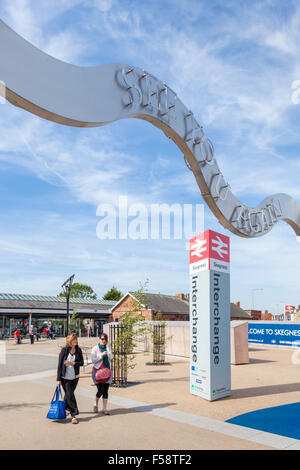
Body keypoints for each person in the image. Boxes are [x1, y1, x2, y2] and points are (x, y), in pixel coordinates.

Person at [56, 333, 84, 424]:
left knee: (69, 394)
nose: (75, 341)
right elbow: (59, 365)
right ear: (69, 341)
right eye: (73, 339)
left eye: (76, 339)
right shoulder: (64, 350)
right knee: (70, 394)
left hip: (75, 377)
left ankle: (65, 409)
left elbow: (82, 362)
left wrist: (73, 363)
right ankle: (73, 415)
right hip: (65, 377)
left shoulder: (78, 350)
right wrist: (58, 379)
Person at [91, 333, 113, 415]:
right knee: (100, 390)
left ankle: (105, 409)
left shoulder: (108, 348)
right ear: (99, 339)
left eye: (105, 339)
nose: (103, 341)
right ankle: (96, 401)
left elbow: (111, 357)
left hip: (107, 371)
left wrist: (107, 349)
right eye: (102, 339)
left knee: (106, 390)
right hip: (97, 372)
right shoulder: (95, 348)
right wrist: (101, 355)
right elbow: (93, 360)